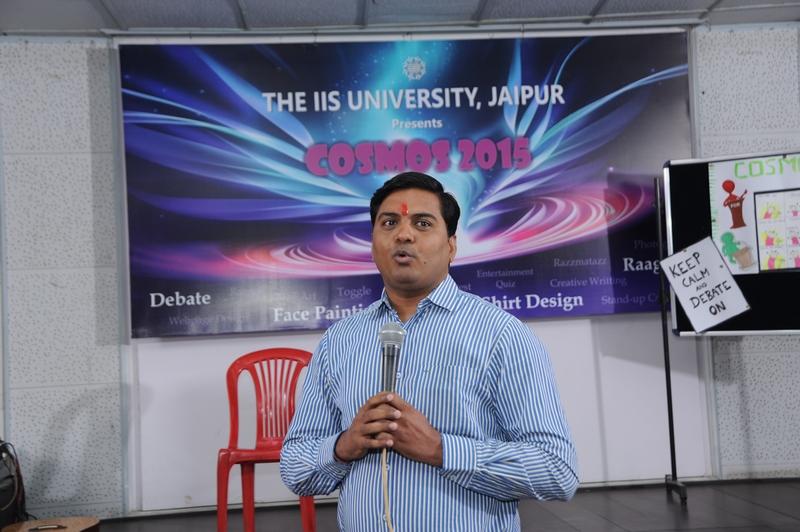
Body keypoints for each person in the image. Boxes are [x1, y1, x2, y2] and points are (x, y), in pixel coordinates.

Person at [280, 172, 578, 531]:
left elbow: (556, 469)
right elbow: (294, 467)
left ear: (451, 246)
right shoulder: (339, 341)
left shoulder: (501, 336)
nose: (403, 235)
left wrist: (441, 449)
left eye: (422, 223)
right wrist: (343, 446)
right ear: (373, 243)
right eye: (389, 223)